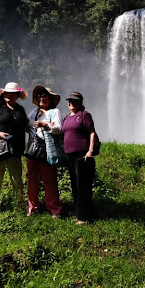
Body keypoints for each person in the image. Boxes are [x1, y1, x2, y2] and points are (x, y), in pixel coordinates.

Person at [0, 82, 29, 214]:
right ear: (3, 95)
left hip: (15, 148)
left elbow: (27, 126)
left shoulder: (21, 110)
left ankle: (19, 204)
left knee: (16, 177)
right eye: (7, 94)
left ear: (17, 95)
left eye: (12, 94)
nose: (9, 96)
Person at [26, 85, 63, 219]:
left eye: (45, 95)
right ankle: (32, 208)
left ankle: (54, 209)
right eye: (40, 96)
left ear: (51, 99)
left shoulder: (55, 112)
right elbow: (26, 125)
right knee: (32, 180)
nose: (42, 98)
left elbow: (59, 128)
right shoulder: (34, 112)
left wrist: (45, 125)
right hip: (33, 150)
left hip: (48, 150)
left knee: (50, 180)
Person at [62, 92, 96, 225]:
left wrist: (90, 150)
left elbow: (92, 132)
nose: (71, 103)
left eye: (74, 101)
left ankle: (84, 217)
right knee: (74, 184)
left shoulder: (84, 115)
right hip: (69, 154)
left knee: (83, 185)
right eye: (70, 100)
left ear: (80, 102)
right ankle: (78, 214)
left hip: (81, 154)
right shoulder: (66, 117)